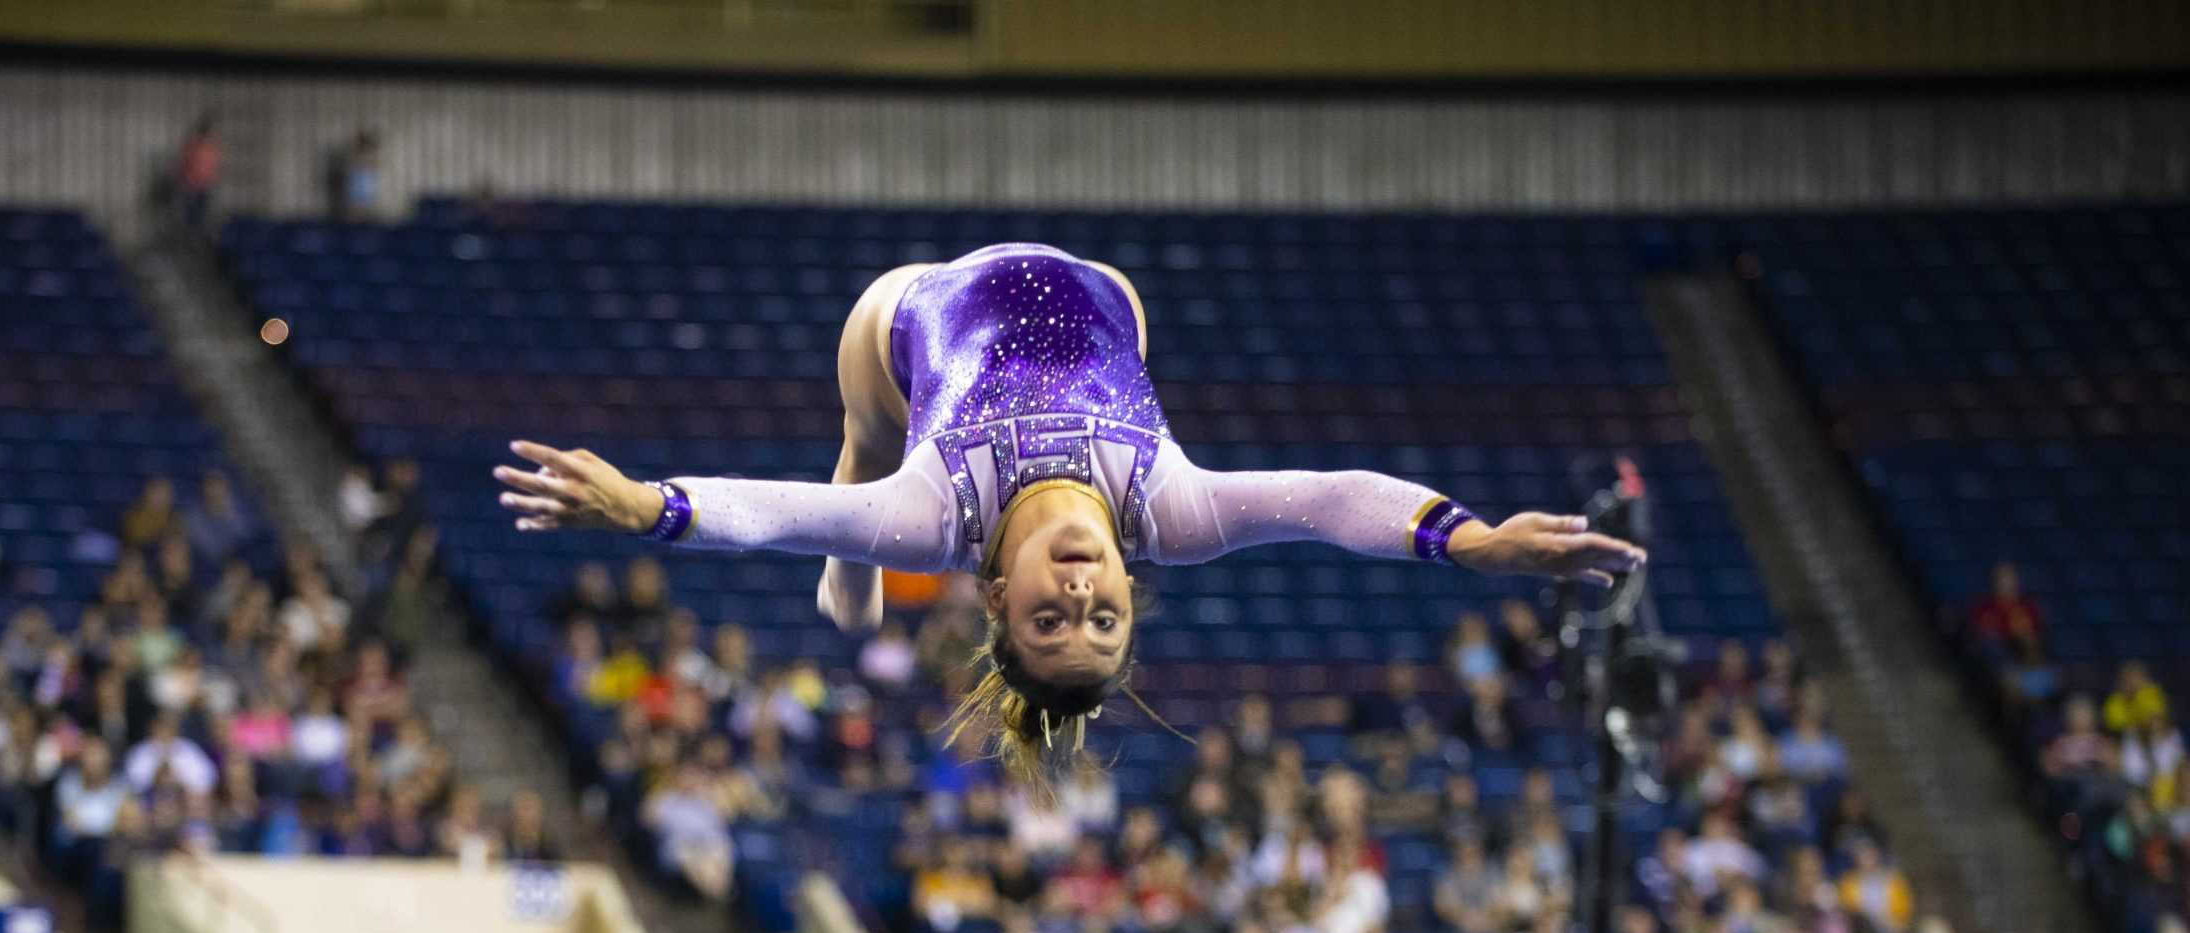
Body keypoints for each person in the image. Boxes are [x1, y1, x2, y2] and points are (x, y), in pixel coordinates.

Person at [492, 244, 1640, 791]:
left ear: (995, 601)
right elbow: (1335, 500)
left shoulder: (940, 523)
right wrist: (1475, 539)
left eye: (1053, 627)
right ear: (1135, 591)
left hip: (908, 316)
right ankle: (854, 552)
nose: (1084, 604)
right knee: (877, 504)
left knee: (855, 483)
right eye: (1106, 626)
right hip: (1102, 302)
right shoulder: (1170, 510)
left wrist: (644, 506)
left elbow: (764, 516)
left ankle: (855, 522)